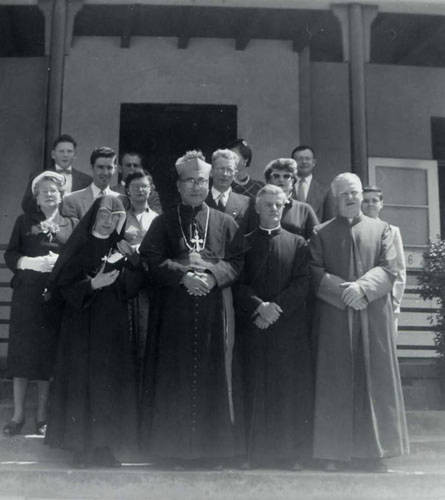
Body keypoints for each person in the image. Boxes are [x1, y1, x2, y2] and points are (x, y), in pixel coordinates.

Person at [139, 150, 245, 466]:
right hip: (174, 314)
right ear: (179, 185)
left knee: (214, 377)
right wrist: (183, 275)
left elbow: (238, 261)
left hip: (214, 312)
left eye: (201, 180)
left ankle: (213, 452)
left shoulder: (225, 222)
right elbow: (151, 259)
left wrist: (212, 277)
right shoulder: (163, 222)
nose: (196, 187)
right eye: (190, 181)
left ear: (208, 181)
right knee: (174, 377)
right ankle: (171, 451)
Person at [310, 172, 409, 472]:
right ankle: (333, 453)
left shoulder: (382, 230)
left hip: (372, 315)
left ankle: (374, 453)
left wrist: (362, 289)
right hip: (335, 316)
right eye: (345, 194)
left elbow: (390, 267)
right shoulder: (320, 232)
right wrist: (345, 292)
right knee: (334, 381)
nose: (352, 198)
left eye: (355, 193)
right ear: (335, 199)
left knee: (374, 380)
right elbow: (314, 271)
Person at [45, 195, 139, 468]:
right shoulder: (81, 245)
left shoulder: (120, 247)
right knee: (81, 383)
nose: (109, 222)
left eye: (116, 217)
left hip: (112, 328)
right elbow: (62, 286)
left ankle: (103, 448)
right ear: (94, 217)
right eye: (105, 216)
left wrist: (133, 262)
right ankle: (80, 448)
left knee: (107, 385)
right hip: (81, 328)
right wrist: (92, 286)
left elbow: (134, 285)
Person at [235, 185, 313, 470]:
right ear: (257, 208)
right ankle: (252, 454)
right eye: (267, 204)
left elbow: (303, 282)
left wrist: (275, 309)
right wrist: (258, 307)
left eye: (278, 204)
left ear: (285, 206)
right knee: (252, 387)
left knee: (286, 391)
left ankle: (288, 455)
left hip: (286, 328)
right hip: (253, 325)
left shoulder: (298, 243)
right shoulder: (242, 242)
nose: (273, 209)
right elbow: (236, 281)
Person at [4, 171, 76, 437]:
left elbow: (78, 256)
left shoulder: (71, 223)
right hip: (27, 296)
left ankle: (42, 415)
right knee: (22, 355)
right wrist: (28, 263)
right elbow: (11, 253)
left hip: (55, 297)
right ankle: (17, 415)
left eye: (54, 190)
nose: (49, 194)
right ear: (36, 196)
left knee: (47, 356)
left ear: (61, 195)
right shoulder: (24, 222)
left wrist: (61, 265)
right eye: (43, 191)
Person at [119, 171, 158, 394]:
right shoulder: (120, 217)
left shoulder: (158, 218)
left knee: (147, 338)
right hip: (127, 283)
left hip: (150, 286)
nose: (140, 191)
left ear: (150, 189)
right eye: (135, 187)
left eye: (144, 186)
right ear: (127, 190)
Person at [362, 186, 407, 334]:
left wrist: (395, 302)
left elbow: (399, 269)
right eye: (366, 201)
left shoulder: (392, 231)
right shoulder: (354, 230)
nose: (370, 204)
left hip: (386, 300)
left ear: (381, 204)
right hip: (363, 297)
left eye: (374, 200)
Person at [21, 134, 92, 214]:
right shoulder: (39, 177)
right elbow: (26, 205)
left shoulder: (86, 180)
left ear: (74, 155)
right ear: (53, 155)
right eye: (61, 151)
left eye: (69, 151)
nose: (65, 155)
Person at [264, 158, 319, 240]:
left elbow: (317, 239)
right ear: (268, 181)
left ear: (293, 182)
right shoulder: (259, 206)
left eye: (286, 176)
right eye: (276, 176)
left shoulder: (304, 209)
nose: (281, 179)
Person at [61, 146, 119, 220]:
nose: (105, 173)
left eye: (109, 168)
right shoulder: (72, 200)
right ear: (91, 167)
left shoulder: (120, 200)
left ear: (115, 169)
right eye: (100, 167)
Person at [206, 149, 253, 234]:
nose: (225, 174)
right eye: (221, 169)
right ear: (211, 171)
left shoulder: (246, 203)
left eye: (229, 170)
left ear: (235, 173)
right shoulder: (201, 199)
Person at [291, 145, 335, 222]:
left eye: (307, 159)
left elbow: (330, 222)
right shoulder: (284, 188)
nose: (304, 162)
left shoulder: (325, 190)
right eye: (299, 159)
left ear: (314, 162)